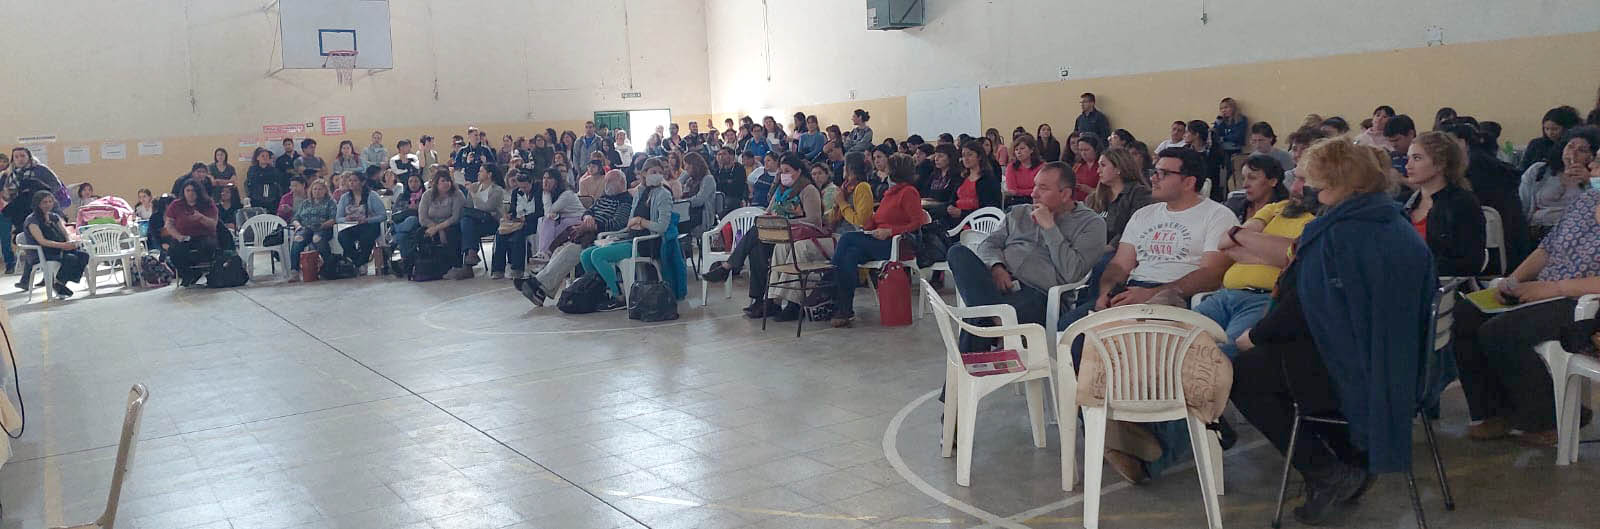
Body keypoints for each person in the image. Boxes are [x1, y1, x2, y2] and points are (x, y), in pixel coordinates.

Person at [1230, 137, 1436, 525]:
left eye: (1319, 185)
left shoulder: (1342, 233)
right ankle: (1351, 458)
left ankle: (1329, 472)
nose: (1309, 191)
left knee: (1243, 374)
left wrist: (1253, 337)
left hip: (1363, 367)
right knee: (1269, 362)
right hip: (1393, 359)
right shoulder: (1388, 218)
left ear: (1350, 184)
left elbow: (1302, 310)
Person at [1452, 151, 1600, 446]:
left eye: (1598, 162)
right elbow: (1546, 249)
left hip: (1583, 303)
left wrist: (1551, 289)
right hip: (1545, 289)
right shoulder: (1586, 202)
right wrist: (1513, 281)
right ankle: (1494, 412)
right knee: (1464, 315)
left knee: (1502, 331)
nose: (1591, 166)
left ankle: (1548, 416)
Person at [948, 161, 1105, 328]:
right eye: (1034, 186)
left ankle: (989, 324)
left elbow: (1072, 272)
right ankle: (997, 323)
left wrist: (1050, 228)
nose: (1033, 194)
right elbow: (989, 244)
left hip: (1039, 295)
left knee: (977, 321)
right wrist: (996, 267)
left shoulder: (1091, 224)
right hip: (999, 284)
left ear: (1065, 194)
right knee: (957, 253)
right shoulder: (1019, 212)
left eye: (1043, 188)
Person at [1195, 165, 1316, 358]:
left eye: (1303, 180)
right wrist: (1274, 253)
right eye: (1295, 179)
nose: (1294, 188)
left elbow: (1295, 257)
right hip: (1224, 296)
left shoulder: (1320, 220)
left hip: (1263, 299)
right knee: (1174, 340)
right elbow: (1225, 241)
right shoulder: (1278, 207)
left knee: (1221, 357)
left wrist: (1243, 238)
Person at [702, 153, 825, 318]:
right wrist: (770, 219)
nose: (783, 175)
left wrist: (786, 222)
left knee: (756, 239)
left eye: (787, 171)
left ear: (799, 171)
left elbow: (814, 219)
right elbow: (768, 212)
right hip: (777, 235)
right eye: (781, 171)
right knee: (757, 247)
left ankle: (730, 269)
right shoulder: (781, 190)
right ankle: (762, 301)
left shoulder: (808, 190)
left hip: (797, 235)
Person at [829, 154, 926, 328]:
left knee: (846, 239)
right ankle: (845, 308)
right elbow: (879, 217)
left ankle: (830, 281)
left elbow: (917, 222)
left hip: (894, 243)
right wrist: (869, 223)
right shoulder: (889, 192)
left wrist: (890, 231)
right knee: (850, 255)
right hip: (876, 239)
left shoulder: (908, 192)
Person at [580, 157, 675, 311]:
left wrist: (642, 222)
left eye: (659, 172)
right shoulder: (640, 193)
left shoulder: (663, 194)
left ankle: (619, 296)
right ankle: (602, 291)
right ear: (644, 174)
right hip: (630, 237)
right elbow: (630, 221)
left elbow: (662, 226)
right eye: (653, 172)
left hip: (646, 242)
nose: (656, 175)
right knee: (585, 255)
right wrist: (631, 224)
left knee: (597, 255)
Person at [1401, 131, 1488, 277]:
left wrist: (1415, 266)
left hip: (1444, 288)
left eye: (1417, 158)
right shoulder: (1401, 202)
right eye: (1408, 158)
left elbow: (1471, 262)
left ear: (1440, 164)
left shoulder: (1463, 204)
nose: (1407, 166)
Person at [1519, 126, 1597, 243]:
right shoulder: (1539, 171)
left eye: (1582, 150)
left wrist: (1590, 181)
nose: (1573, 153)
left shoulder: (1594, 178)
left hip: (1576, 237)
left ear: (1592, 157)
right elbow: (1522, 205)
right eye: (1570, 146)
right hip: (1537, 233)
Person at [21, 190, 88, 298]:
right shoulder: (32, 220)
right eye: (44, 202)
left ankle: (59, 283)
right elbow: (42, 241)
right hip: (42, 252)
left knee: (83, 256)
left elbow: (65, 232)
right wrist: (63, 246)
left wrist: (69, 241)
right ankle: (59, 284)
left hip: (58, 248)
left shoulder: (54, 217)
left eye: (50, 201)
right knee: (71, 258)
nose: (48, 204)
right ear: (37, 204)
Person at [1088, 147, 1155, 255]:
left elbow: (1134, 228)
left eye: (1103, 165)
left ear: (1118, 168)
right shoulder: (1093, 197)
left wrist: (1110, 246)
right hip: (1093, 250)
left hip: (1123, 252)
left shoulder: (1139, 194)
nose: (1098, 170)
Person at [163, 181, 224, 286]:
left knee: (207, 246)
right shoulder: (176, 205)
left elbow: (213, 224)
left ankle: (204, 272)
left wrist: (201, 217)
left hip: (204, 236)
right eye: (188, 190)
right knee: (173, 251)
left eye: (193, 191)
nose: (190, 193)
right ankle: (189, 274)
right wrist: (178, 236)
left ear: (199, 192)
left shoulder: (208, 204)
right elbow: (169, 224)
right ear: (183, 192)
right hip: (183, 237)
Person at [416, 171, 468, 278]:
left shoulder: (457, 194)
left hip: (451, 224)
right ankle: (426, 268)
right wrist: (437, 229)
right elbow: (422, 218)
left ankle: (455, 266)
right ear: (436, 183)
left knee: (452, 233)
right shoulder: (427, 195)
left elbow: (456, 217)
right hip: (432, 225)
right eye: (443, 181)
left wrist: (440, 228)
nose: (446, 183)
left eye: (448, 180)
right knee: (419, 233)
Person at [335, 172, 386, 276]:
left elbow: (383, 215)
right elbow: (338, 218)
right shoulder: (345, 197)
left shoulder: (372, 195)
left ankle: (359, 263)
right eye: (350, 181)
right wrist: (346, 218)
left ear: (362, 182)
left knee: (366, 237)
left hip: (369, 225)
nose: (351, 183)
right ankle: (359, 261)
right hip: (351, 225)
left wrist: (367, 219)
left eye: (355, 180)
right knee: (342, 236)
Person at [943, 141, 1002, 229]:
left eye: (969, 155)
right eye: (963, 155)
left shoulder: (988, 180)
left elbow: (989, 209)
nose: (965, 159)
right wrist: (950, 207)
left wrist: (962, 213)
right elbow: (953, 199)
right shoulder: (961, 178)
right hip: (956, 220)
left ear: (979, 157)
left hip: (977, 223)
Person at [287, 178, 336, 280]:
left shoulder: (330, 202)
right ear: (311, 190)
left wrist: (322, 225)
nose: (317, 192)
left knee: (317, 239)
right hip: (306, 228)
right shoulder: (306, 203)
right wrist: (298, 227)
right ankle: (294, 271)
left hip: (323, 228)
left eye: (320, 189)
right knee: (298, 239)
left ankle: (328, 267)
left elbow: (333, 219)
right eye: (315, 189)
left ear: (325, 191)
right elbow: (295, 218)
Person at [461, 165, 507, 269]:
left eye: (481, 171)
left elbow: (487, 207)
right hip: (475, 222)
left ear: (489, 174)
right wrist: (469, 193)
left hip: (491, 221)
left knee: (466, 223)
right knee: (465, 223)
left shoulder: (497, 190)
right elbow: (468, 207)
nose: (478, 173)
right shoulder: (475, 186)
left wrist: (473, 194)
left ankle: (469, 260)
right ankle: (469, 257)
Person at [534, 167, 585, 259]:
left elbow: (549, 210)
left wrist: (546, 193)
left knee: (549, 224)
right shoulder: (549, 193)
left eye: (549, 178)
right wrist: (546, 194)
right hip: (563, 219)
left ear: (556, 181)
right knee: (544, 220)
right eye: (544, 178)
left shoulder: (567, 194)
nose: (545, 181)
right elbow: (548, 213)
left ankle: (544, 253)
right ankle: (543, 253)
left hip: (577, 219)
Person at [1224, 155, 1290, 222]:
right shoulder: (1233, 205)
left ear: (1273, 181)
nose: (1244, 185)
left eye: (1252, 178)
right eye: (1243, 178)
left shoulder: (1284, 213)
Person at [1521, 106, 1583, 172]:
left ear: (1566, 128)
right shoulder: (1536, 144)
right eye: (1546, 129)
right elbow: (1524, 168)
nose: (1550, 133)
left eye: (1555, 129)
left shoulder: (1571, 147)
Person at [1004, 135, 1045, 206]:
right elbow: (1012, 191)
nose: (1019, 152)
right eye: (1016, 149)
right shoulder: (1011, 167)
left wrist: (1020, 191)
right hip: (1017, 202)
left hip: (1038, 200)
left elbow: (1042, 190)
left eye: (1022, 148)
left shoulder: (1042, 167)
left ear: (1031, 150)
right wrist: (1031, 190)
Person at [1069, 133, 1107, 202]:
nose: (1083, 153)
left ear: (1096, 149)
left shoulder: (1104, 166)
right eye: (1081, 150)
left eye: (1086, 150)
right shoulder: (1077, 166)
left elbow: (1108, 192)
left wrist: (1089, 190)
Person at [709, 146, 747, 215]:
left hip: (734, 198)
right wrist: (727, 182)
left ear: (732, 156)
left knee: (725, 204)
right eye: (719, 154)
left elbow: (736, 188)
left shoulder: (739, 168)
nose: (721, 157)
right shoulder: (717, 170)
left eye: (724, 154)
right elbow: (715, 186)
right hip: (720, 197)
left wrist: (723, 183)